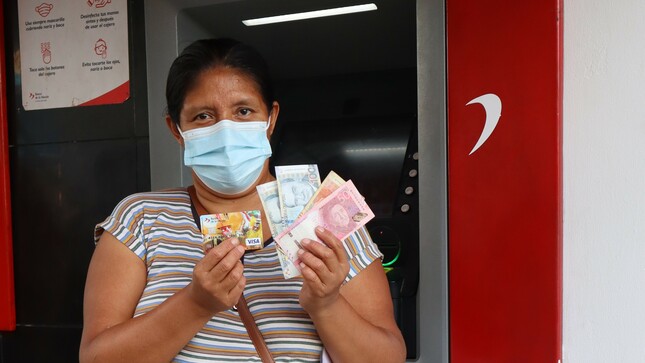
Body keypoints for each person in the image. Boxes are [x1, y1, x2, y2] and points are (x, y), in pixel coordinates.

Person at [79, 38, 406, 363]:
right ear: (176, 130)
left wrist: (326, 304)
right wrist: (195, 304)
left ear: (270, 119)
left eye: (243, 111)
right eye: (203, 116)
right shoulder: (140, 220)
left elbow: (387, 357)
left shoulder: (327, 217)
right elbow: (96, 358)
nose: (226, 130)